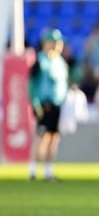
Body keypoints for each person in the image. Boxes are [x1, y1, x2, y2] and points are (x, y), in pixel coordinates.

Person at [28, 29, 69, 182]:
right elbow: (31, 84)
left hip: (57, 104)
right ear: (47, 43)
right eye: (55, 42)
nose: (59, 45)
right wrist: (35, 103)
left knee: (53, 138)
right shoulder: (40, 61)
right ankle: (32, 170)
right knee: (41, 137)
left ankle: (48, 171)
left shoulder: (60, 62)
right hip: (44, 105)